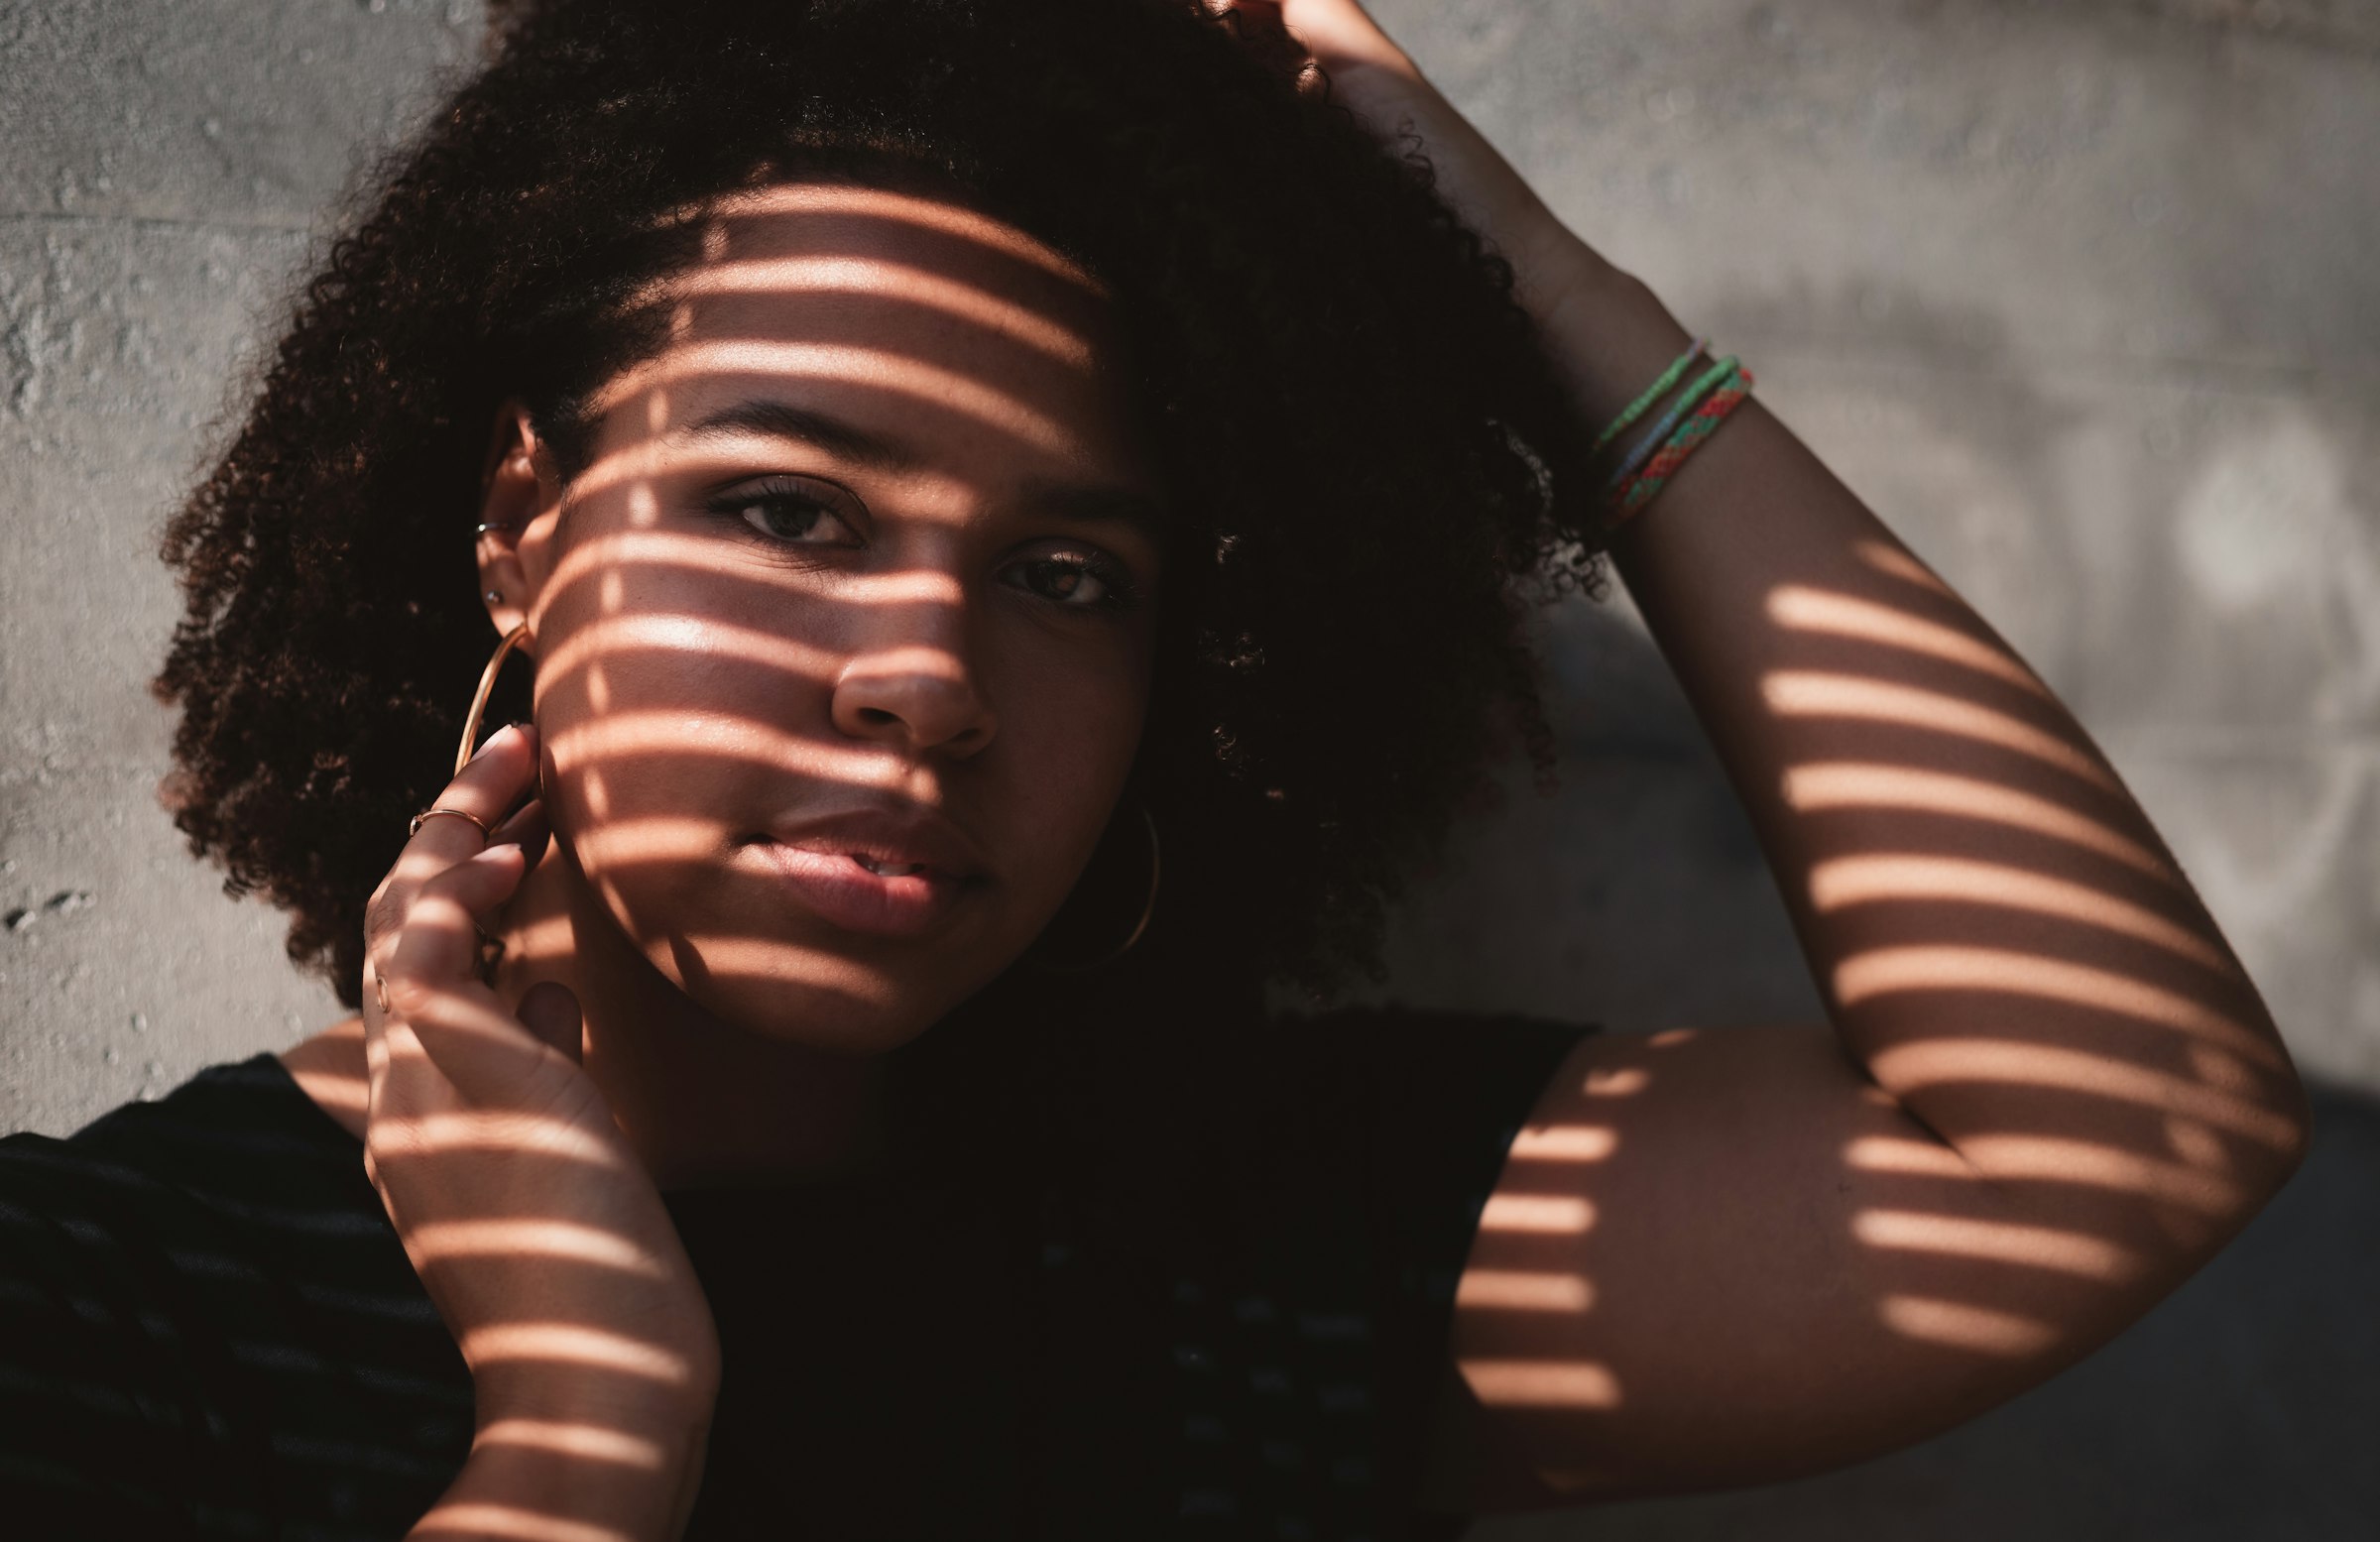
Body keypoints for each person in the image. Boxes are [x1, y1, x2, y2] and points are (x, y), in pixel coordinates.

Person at [0, 0, 2311, 1538]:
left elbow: (2115, 1132)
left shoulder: (1271, 1237)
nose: (931, 674)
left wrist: (1512, 268)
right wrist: (589, 1431)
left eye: (1073, 572)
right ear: (521, 527)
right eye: (790, 507)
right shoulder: (109, 1297)